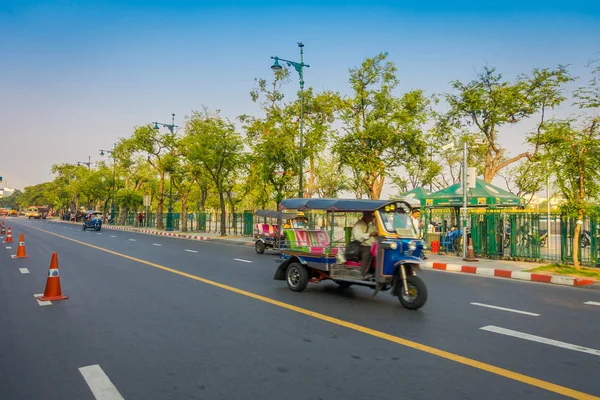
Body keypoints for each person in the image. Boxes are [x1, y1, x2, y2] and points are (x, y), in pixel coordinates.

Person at [351, 211, 378, 278]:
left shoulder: (371, 224)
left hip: (369, 245)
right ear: (366, 216)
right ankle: (363, 273)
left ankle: (375, 271)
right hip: (357, 246)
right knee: (369, 251)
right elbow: (359, 237)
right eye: (372, 216)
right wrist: (371, 234)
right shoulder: (358, 225)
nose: (373, 218)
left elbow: (377, 232)